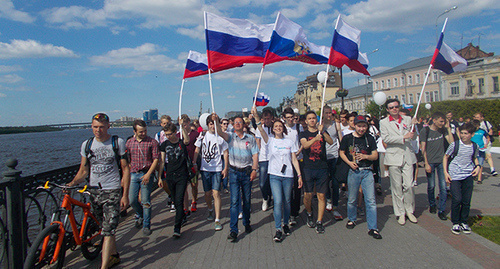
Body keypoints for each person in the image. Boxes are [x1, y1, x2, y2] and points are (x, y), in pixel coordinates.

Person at [67, 113, 130, 269]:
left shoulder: (117, 142)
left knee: (108, 231)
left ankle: (103, 266)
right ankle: (114, 256)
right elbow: (83, 170)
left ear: (108, 126)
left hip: (112, 190)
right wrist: (72, 183)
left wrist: (125, 195)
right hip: (94, 191)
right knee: (105, 227)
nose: (98, 130)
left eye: (101, 127)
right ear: (91, 127)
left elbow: (125, 168)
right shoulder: (87, 145)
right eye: (95, 127)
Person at [253, 107, 302, 242]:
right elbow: (261, 130)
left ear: (283, 128)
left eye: (280, 126)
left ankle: (285, 223)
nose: (278, 128)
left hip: (288, 175)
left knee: (287, 201)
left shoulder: (289, 141)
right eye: (276, 126)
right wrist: (256, 117)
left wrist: (299, 175)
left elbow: (293, 159)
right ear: (273, 128)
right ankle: (278, 229)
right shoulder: (270, 140)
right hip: (274, 175)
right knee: (278, 201)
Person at [214, 114, 259, 242]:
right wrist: (216, 120)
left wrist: (254, 170)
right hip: (234, 172)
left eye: (240, 122)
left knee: (247, 199)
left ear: (243, 125)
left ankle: (246, 222)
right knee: (234, 201)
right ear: (232, 125)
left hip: (246, 172)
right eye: (235, 123)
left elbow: (255, 155)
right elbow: (219, 132)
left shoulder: (250, 139)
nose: (238, 124)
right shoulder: (230, 137)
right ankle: (233, 230)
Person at [340, 115, 381, 239]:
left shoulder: (370, 138)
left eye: (364, 126)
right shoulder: (347, 138)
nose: (361, 129)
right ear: (354, 126)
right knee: (352, 198)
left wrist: (366, 157)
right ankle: (352, 219)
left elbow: (375, 155)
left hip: (367, 171)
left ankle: (373, 227)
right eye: (359, 126)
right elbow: (341, 152)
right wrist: (349, 162)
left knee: (371, 201)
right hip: (354, 171)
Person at [379, 99, 418, 225]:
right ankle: (400, 212)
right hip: (393, 156)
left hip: (407, 155)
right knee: (396, 187)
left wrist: (414, 128)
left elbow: (414, 136)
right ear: (387, 110)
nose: (394, 109)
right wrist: (403, 137)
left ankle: (409, 210)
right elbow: (386, 138)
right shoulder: (384, 122)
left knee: (409, 185)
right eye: (391, 107)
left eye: (396, 107)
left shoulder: (407, 119)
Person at [299, 111, 334, 234]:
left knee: (321, 195)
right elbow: (306, 145)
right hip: (308, 168)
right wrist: (315, 139)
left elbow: (331, 142)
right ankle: (309, 213)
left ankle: (319, 221)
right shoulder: (303, 133)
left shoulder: (322, 132)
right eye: (310, 118)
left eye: (314, 118)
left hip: (322, 167)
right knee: (308, 196)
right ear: (306, 121)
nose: (312, 120)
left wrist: (323, 132)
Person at [443, 123, 480, 235]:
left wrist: (478, 167)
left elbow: (474, 158)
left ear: (472, 134)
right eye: (461, 133)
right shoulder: (455, 145)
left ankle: (464, 221)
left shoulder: (474, 146)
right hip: (455, 175)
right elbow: (446, 157)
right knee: (457, 199)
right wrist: (446, 172)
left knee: (466, 200)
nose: (463, 135)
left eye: (465, 133)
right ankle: (455, 222)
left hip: (468, 175)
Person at [193, 116, 229, 231]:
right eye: (210, 124)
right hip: (205, 169)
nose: (212, 126)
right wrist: (194, 162)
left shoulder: (220, 137)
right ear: (207, 125)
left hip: (217, 169)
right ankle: (210, 209)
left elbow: (226, 152)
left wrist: (226, 167)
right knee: (207, 194)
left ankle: (217, 219)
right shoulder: (202, 136)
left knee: (216, 193)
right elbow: (197, 149)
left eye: (214, 124)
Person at [126, 120, 159, 236]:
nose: (143, 133)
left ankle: (146, 224)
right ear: (134, 131)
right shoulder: (129, 143)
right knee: (132, 200)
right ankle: (140, 214)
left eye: (145, 131)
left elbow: (156, 159)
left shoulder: (152, 142)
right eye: (141, 132)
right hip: (134, 174)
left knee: (145, 200)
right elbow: (127, 160)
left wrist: (149, 174)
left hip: (147, 173)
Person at [158, 120, 190, 238]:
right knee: (175, 201)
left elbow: (187, 140)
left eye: (170, 134)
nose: (168, 137)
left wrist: (182, 126)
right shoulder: (164, 145)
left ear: (175, 132)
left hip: (182, 175)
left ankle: (177, 228)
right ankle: (182, 216)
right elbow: (162, 161)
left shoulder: (181, 142)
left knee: (179, 199)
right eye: (166, 134)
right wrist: (160, 177)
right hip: (170, 175)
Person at [420, 112, 454, 220]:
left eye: (444, 121)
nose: (443, 123)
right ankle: (432, 204)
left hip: (441, 162)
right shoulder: (425, 131)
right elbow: (423, 148)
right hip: (430, 162)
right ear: (434, 120)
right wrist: (426, 163)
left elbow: (452, 144)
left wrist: (448, 129)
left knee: (443, 186)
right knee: (431, 185)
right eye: (441, 121)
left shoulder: (443, 130)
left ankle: (442, 210)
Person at [282, 107, 303, 226]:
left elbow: (301, 142)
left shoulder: (298, 128)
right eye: (288, 118)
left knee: (297, 187)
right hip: (285, 161)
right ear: (284, 118)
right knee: (288, 188)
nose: (290, 120)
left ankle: (295, 211)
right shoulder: (281, 129)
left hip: (297, 160)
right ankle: (289, 212)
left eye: (292, 117)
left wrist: (298, 151)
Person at [322, 105, 344, 221]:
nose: (328, 115)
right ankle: (328, 199)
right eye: (326, 113)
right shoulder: (320, 126)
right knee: (325, 182)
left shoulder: (336, 125)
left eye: (330, 113)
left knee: (335, 183)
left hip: (334, 156)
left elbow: (340, 139)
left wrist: (342, 152)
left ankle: (335, 207)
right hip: (324, 157)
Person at [179, 114, 200, 213]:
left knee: (194, 184)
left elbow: (197, 148)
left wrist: (195, 162)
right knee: (184, 185)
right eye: (181, 124)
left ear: (188, 123)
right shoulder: (179, 135)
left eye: (185, 124)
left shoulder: (195, 134)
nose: (183, 126)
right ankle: (185, 205)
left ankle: (194, 201)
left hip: (192, 161)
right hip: (183, 164)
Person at [255, 108, 275, 211]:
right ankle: (265, 198)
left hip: (274, 158)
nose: (267, 120)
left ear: (272, 118)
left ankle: (272, 198)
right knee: (262, 183)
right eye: (265, 118)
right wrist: (260, 152)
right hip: (263, 158)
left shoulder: (275, 128)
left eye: (268, 118)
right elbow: (257, 141)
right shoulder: (260, 128)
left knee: (272, 181)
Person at [155, 115, 173, 211]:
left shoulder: (175, 133)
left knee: (171, 181)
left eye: (168, 123)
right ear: (161, 124)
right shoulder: (158, 135)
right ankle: (170, 194)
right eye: (164, 123)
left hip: (172, 161)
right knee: (163, 181)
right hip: (163, 161)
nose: (166, 125)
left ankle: (173, 199)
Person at [471, 120, 489, 184]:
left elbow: (488, 137)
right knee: (473, 163)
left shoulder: (482, 131)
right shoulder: (471, 131)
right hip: (472, 148)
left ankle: (479, 178)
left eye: (477, 126)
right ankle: (474, 174)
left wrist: (486, 144)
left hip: (480, 148)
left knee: (480, 163)